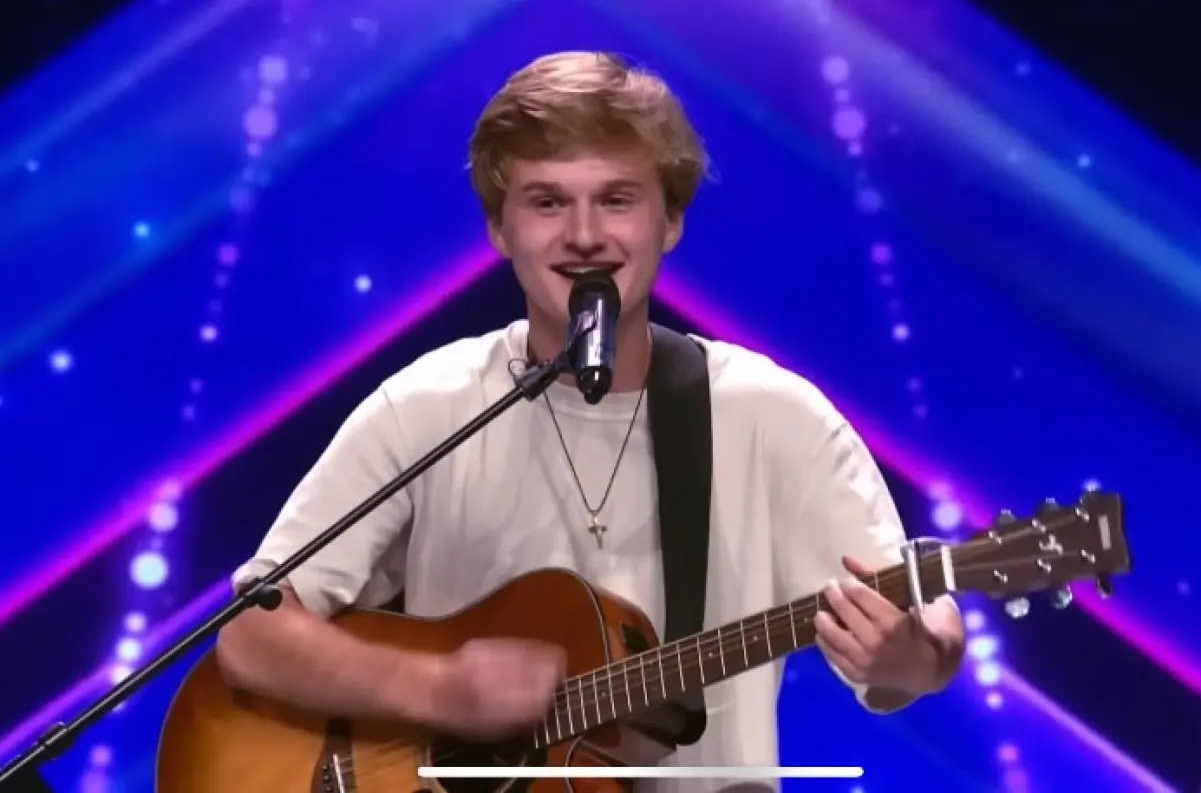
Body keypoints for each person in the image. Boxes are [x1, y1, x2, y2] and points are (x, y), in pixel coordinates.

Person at [215, 50, 966, 787]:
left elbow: (921, 620)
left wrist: (915, 657)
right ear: (499, 228)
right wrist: (438, 690)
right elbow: (252, 634)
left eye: (616, 200)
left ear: (670, 221)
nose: (583, 235)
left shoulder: (774, 418)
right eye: (547, 202)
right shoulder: (428, 407)